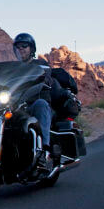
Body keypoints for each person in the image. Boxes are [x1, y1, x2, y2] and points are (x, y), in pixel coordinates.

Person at [12, 33, 63, 167]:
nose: (21, 49)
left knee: (41, 104)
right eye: (18, 46)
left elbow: (46, 78)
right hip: (17, 108)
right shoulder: (12, 69)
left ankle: (44, 152)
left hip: (34, 105)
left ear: (31, 49)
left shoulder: (40, 65)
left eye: (25, 46)